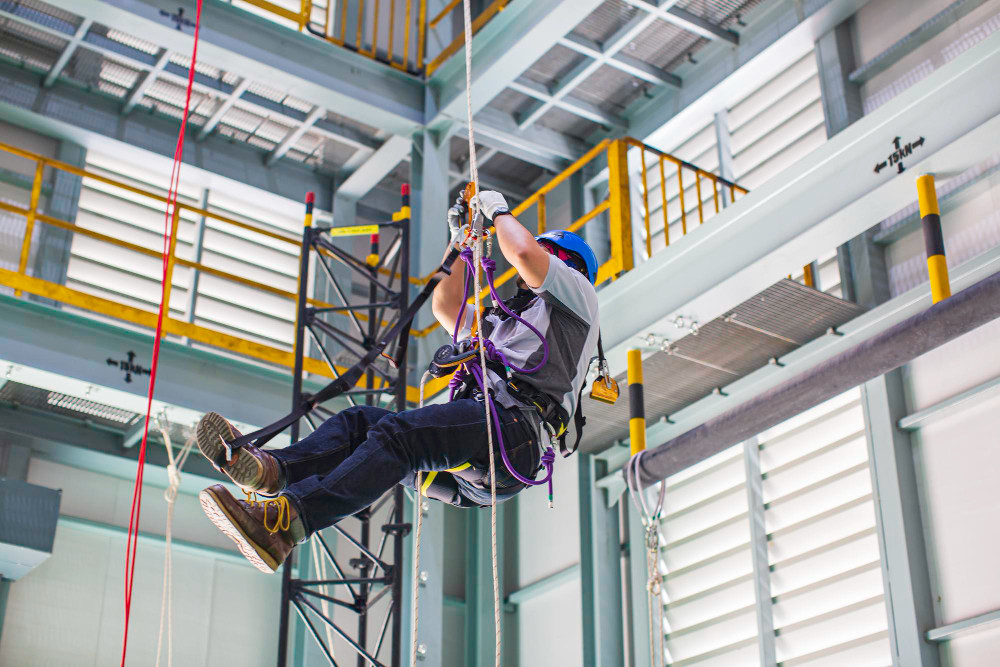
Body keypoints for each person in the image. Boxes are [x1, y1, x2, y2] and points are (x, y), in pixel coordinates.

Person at [195, 190, 600, 573]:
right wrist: (462, 242)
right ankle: (274, 470)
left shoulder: (578, 295)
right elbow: (446, 303)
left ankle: (284, 524)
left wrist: (497, 211)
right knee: (361, 426)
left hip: (511, 433)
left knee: (397, 436)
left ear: (566, 262)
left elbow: (525, 251)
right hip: (481, 468)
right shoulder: (504, 323)